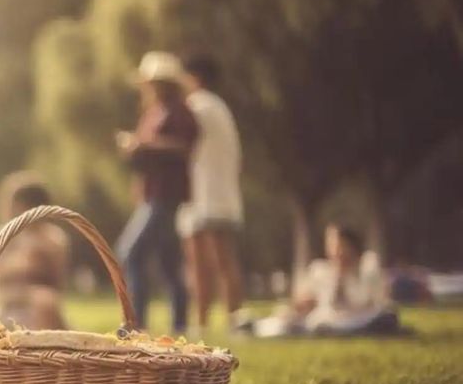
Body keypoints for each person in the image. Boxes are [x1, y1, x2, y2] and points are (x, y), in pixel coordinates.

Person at [114, 51, 198, 335]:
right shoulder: (152, 113)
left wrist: (144, 144)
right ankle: (180, 324)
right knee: (168, 262)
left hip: (167, 195)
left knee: (131, 252)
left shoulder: (180, 112)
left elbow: (184, 147)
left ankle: (136, 323)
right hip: (151, 193)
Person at [177, 54, 248, 336]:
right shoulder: (220, 108)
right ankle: (234, 320)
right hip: (221, 194)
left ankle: (203, 322)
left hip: (204, 196)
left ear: (193, 77)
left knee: (203, 263)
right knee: (224, 261)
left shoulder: (196, 106)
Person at [252, 224, 399, 337]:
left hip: (360, 319)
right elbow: (304, 302)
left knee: (386, 317)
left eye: (339, 245)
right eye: (331, 245)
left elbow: (369, 302)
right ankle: (253, 325)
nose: (335, 250)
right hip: (327, 321)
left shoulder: (368, 266)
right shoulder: (320, 270)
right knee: (301, 323)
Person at [0, 172, 69, 329]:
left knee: (44, 303)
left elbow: (58, 283)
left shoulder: (53, 238)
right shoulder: (2, 236)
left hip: (44, 304)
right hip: (8, 302)